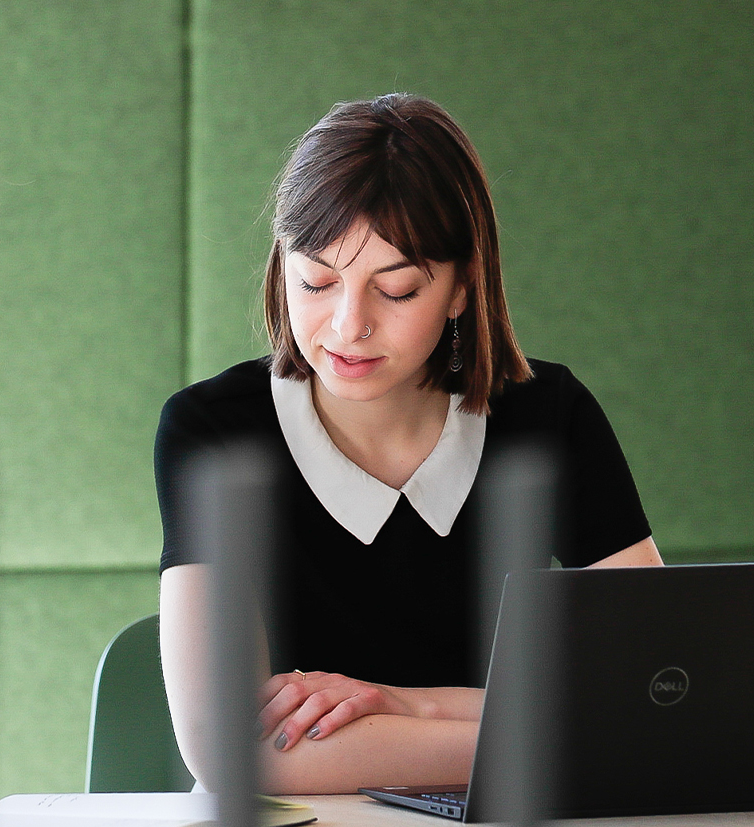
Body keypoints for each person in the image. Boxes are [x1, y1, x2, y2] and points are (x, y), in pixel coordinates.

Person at [155, 94, 662, 794]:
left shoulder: (551, 417)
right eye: (316, 281)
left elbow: (661, 694)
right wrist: (547, 736)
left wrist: (408, 704)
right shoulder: (212, 432)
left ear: (461, 288)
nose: (349, 324)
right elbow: (227, 746)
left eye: (395, 290)